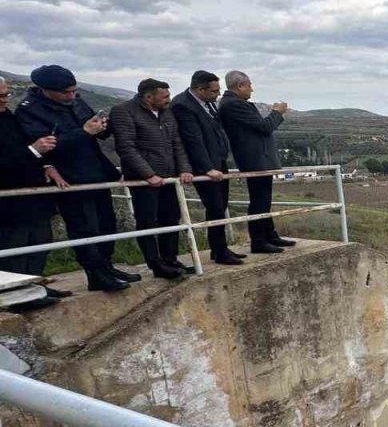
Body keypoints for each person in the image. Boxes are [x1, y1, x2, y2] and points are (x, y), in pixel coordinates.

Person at [16, 65, 139, 292]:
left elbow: (93, 127)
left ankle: (106, 266)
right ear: (45, 89)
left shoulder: (76, 101)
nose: (71, 96)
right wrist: (84, 132)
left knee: (106, 224)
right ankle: (95, 273)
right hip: (69, 177)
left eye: (73, 90)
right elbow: (45, 147)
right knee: (84, 228)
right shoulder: (30, 110)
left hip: (96, 171)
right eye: (65, 92)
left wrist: (102, 126)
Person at [110, 79, 194, 280]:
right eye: (164, 96)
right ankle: (155, 263)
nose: (169, 100)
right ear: (149, 96)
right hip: (143, 180)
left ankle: (170, 259)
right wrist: (148, 174)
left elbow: (177, 143)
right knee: (147, 221)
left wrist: (184, 169)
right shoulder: (124, 111)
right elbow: (126, 147)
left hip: (169, 178)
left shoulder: (166, 112)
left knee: (171, 219)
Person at [0, 76, 71, 303]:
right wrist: (33, 151)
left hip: (33, 193)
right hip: (10, 201)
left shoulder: (7, 116)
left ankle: (35, 286)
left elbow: (23, 145)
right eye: (1, 96)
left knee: (40, 241)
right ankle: (17, 294)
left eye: (6, 94)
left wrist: (46, 164)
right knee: (16, 248)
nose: (6, 99)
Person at [172, 70, 243, 265]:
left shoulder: (207, 103)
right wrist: (206, 168)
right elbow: (193, 140)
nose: (218, 94)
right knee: (215, 207)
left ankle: (219, 249)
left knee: (221, 206)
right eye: (214, 90)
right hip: (205, 167)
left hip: (218, 162)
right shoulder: (182, 105)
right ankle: (219, 251)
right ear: (200, 89)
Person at [218, 70, 294, 253]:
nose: (252, 89)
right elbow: (264, 127)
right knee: (259, 200)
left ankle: (269, 235)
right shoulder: (234, 104)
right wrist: (277, 113)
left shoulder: (235, 103)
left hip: (257, 159)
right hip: (254, 159)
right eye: (249, 85)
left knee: (263, 199)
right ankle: (259, 241)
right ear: (240, 86)